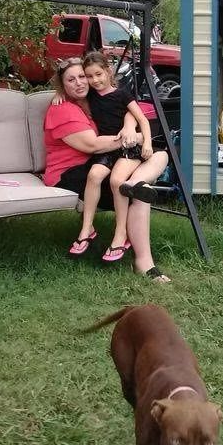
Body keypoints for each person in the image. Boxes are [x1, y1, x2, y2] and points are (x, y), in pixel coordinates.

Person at [43, 57, 171, 282]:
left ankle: (136, 184)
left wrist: (130, 125)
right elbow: (92, 145)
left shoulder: (90, 101)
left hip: (98, 161)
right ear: (62, 85)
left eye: (82, 76)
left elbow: (125, 107)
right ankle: (144, 262)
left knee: (156, 159)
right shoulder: (63, 109)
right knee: (135, 193)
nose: (80, 82)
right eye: (71, 80)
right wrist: (135, 137)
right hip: (71, 173)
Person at [69, 51, 155, 263]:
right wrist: (58, 95)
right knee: (94, 175)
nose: (94, 80)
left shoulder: (122, 94)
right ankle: (87, 227)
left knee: (117, 182)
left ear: (108, 71)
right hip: (107, 148)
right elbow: (72, 95)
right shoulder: (91, 96)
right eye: (90, 76)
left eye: (98, 74)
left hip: (127, 148)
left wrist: (147, 143)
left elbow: (142, 119)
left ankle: (120, 232)